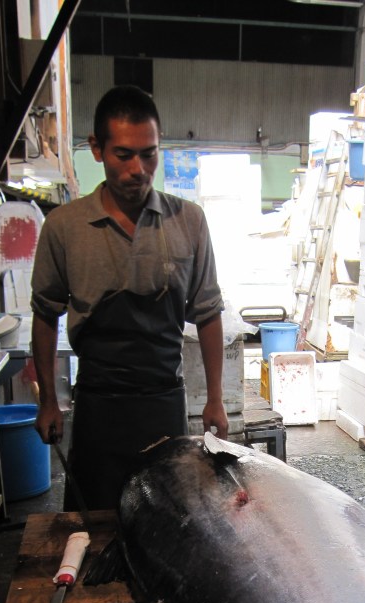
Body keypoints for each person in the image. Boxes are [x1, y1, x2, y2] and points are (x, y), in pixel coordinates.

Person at [30, 85, 228, 510]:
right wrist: (49, 401)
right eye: (124, 155)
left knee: (171, 521)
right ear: (97, 149)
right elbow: (45, 315)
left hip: (164, 404)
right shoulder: (64, 227)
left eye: (150, 154)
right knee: (93, 528)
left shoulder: (188, 221)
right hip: (98, 407)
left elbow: (208, 313)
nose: (139, 168)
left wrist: (215, 398)